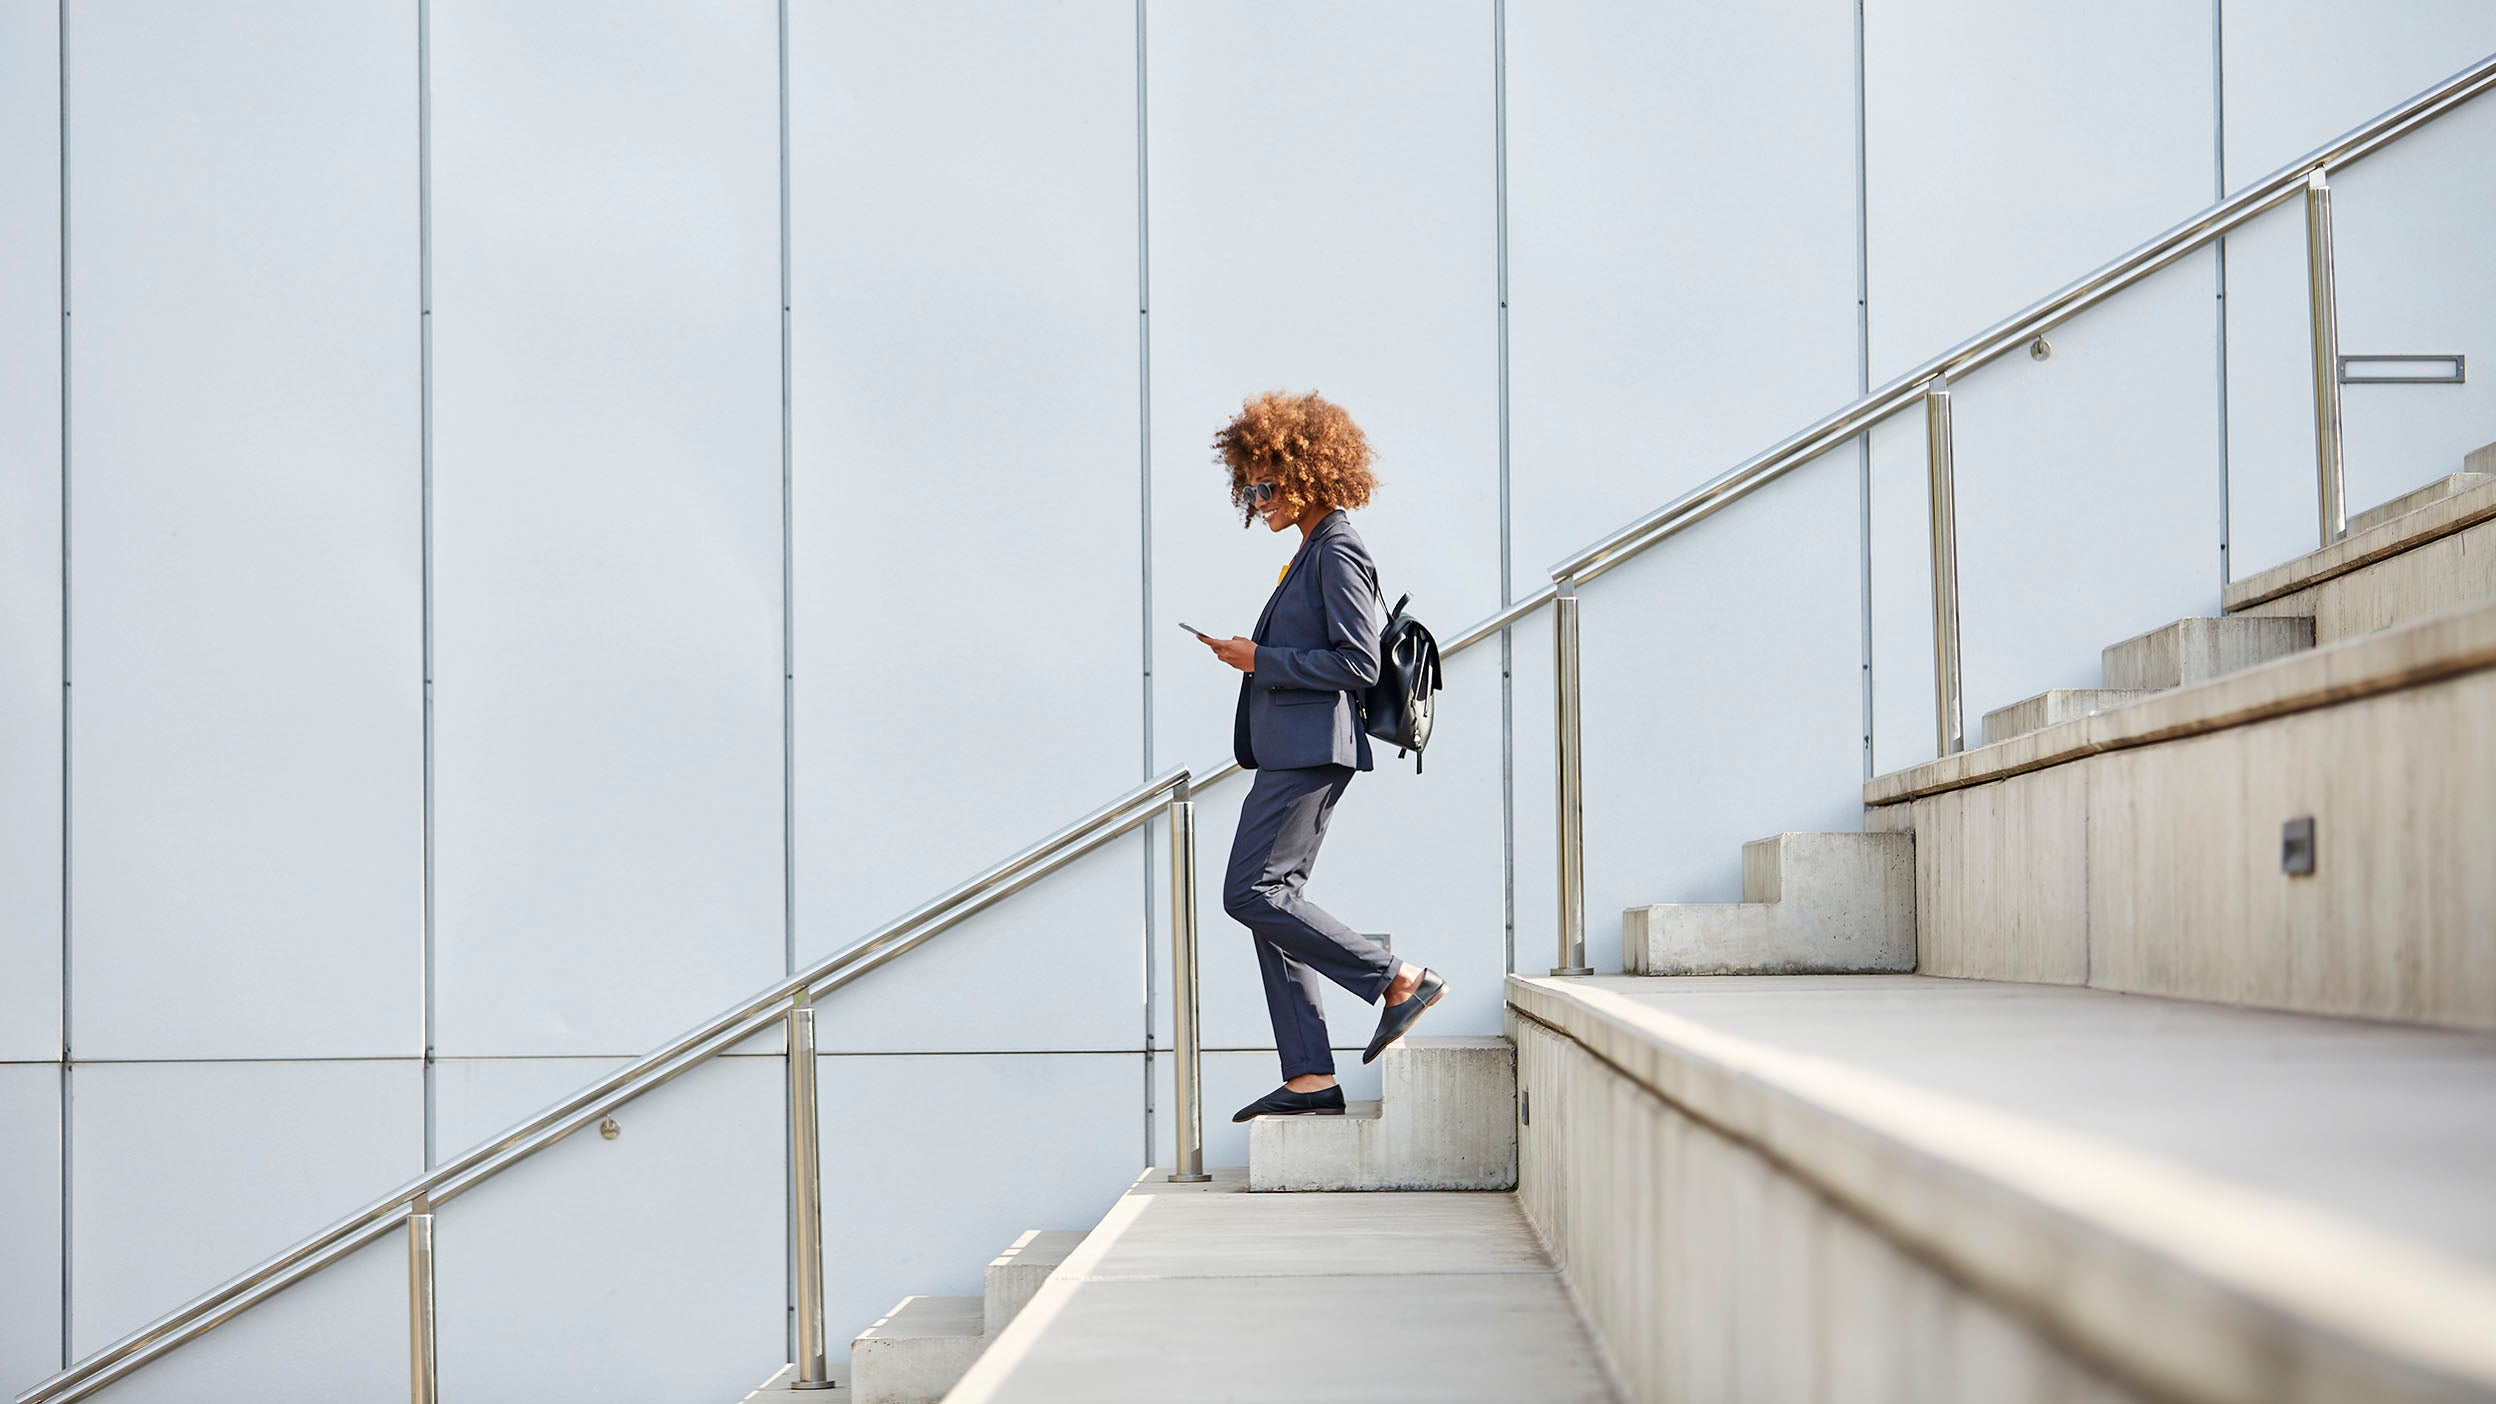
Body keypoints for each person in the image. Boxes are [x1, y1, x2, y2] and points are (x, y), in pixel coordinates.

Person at [1194, 389, 1446, 1123]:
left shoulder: (1338, 550)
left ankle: (1400, 979)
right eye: (1249, 487)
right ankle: (1309, 1078)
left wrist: (1258, 658)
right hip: (1291, 748)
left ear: (1313, 470)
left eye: (1268, 484)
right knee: (1273, 906)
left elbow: (1358, 664)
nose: (1258, 498)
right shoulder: (1311, 550)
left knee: (1252, 894)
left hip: (1310, 750)